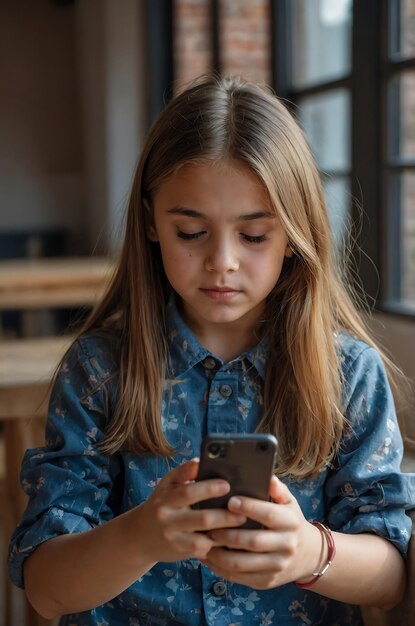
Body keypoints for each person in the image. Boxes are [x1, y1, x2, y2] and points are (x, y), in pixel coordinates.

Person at [8, 75, 414, 626]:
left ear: (294, 235)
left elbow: (392, 578)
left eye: (253, 236)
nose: (222, 260)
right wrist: (142, 534)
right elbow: (47, 590)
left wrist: (309, 553)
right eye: (191, 232)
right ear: (152, 222)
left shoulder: (349, 375)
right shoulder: (100, 371)